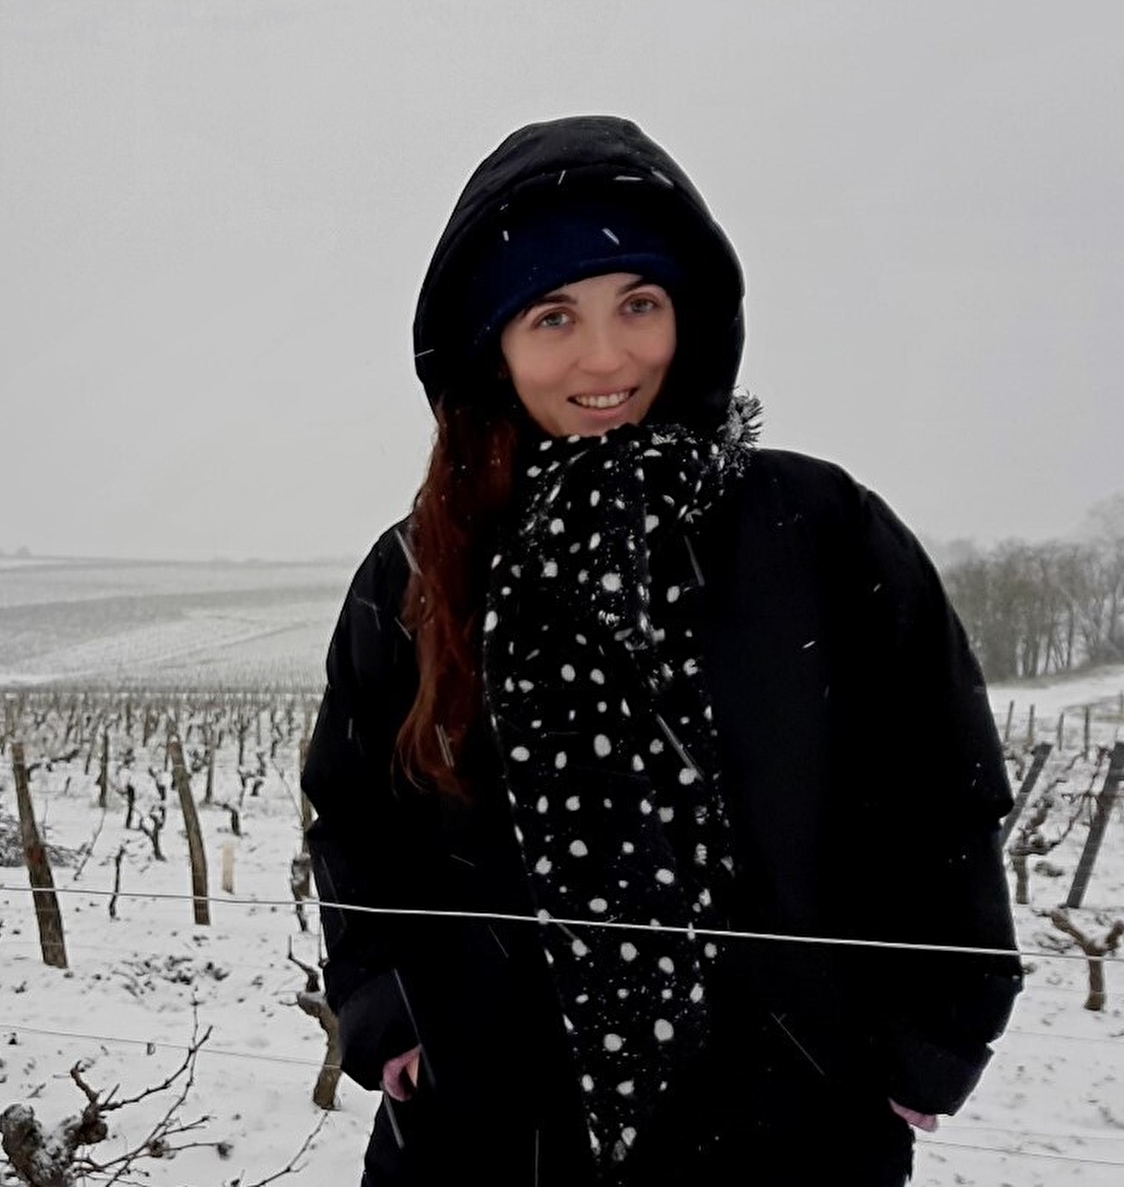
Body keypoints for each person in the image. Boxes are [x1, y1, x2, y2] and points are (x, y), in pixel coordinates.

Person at [301, 115, 1022, 1186]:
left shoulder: (816, 528)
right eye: (553, 316)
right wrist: (382, 999)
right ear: (491, 343)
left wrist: (934, 1030)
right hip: (482, 1124)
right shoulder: (420, 567)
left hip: (791, 1124)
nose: (606, 357)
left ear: (691, 312)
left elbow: (937, 785)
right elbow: (356, 804)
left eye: (638, 303)